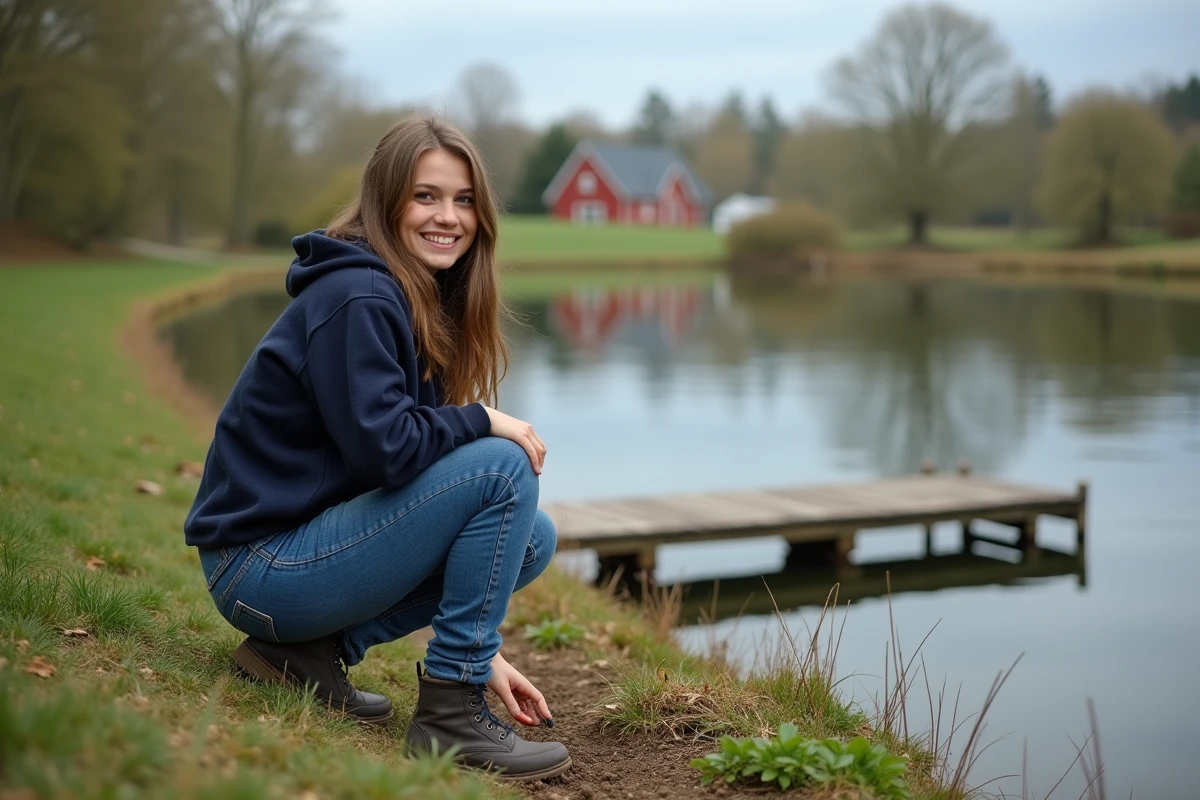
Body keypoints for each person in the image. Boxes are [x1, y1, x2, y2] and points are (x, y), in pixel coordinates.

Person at [184, 114, 570, 781]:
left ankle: (304, 655)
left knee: (529, 536)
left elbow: (405, 475)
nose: (448, 216)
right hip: (260, 566)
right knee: (504, 467)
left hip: (294, 560)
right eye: (426, 196)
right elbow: (387, 455)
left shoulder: (410, 296)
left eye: (464, 199)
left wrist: (486, 650)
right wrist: (481, 419)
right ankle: (450, 713)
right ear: (385, 201)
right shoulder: (358, 295)